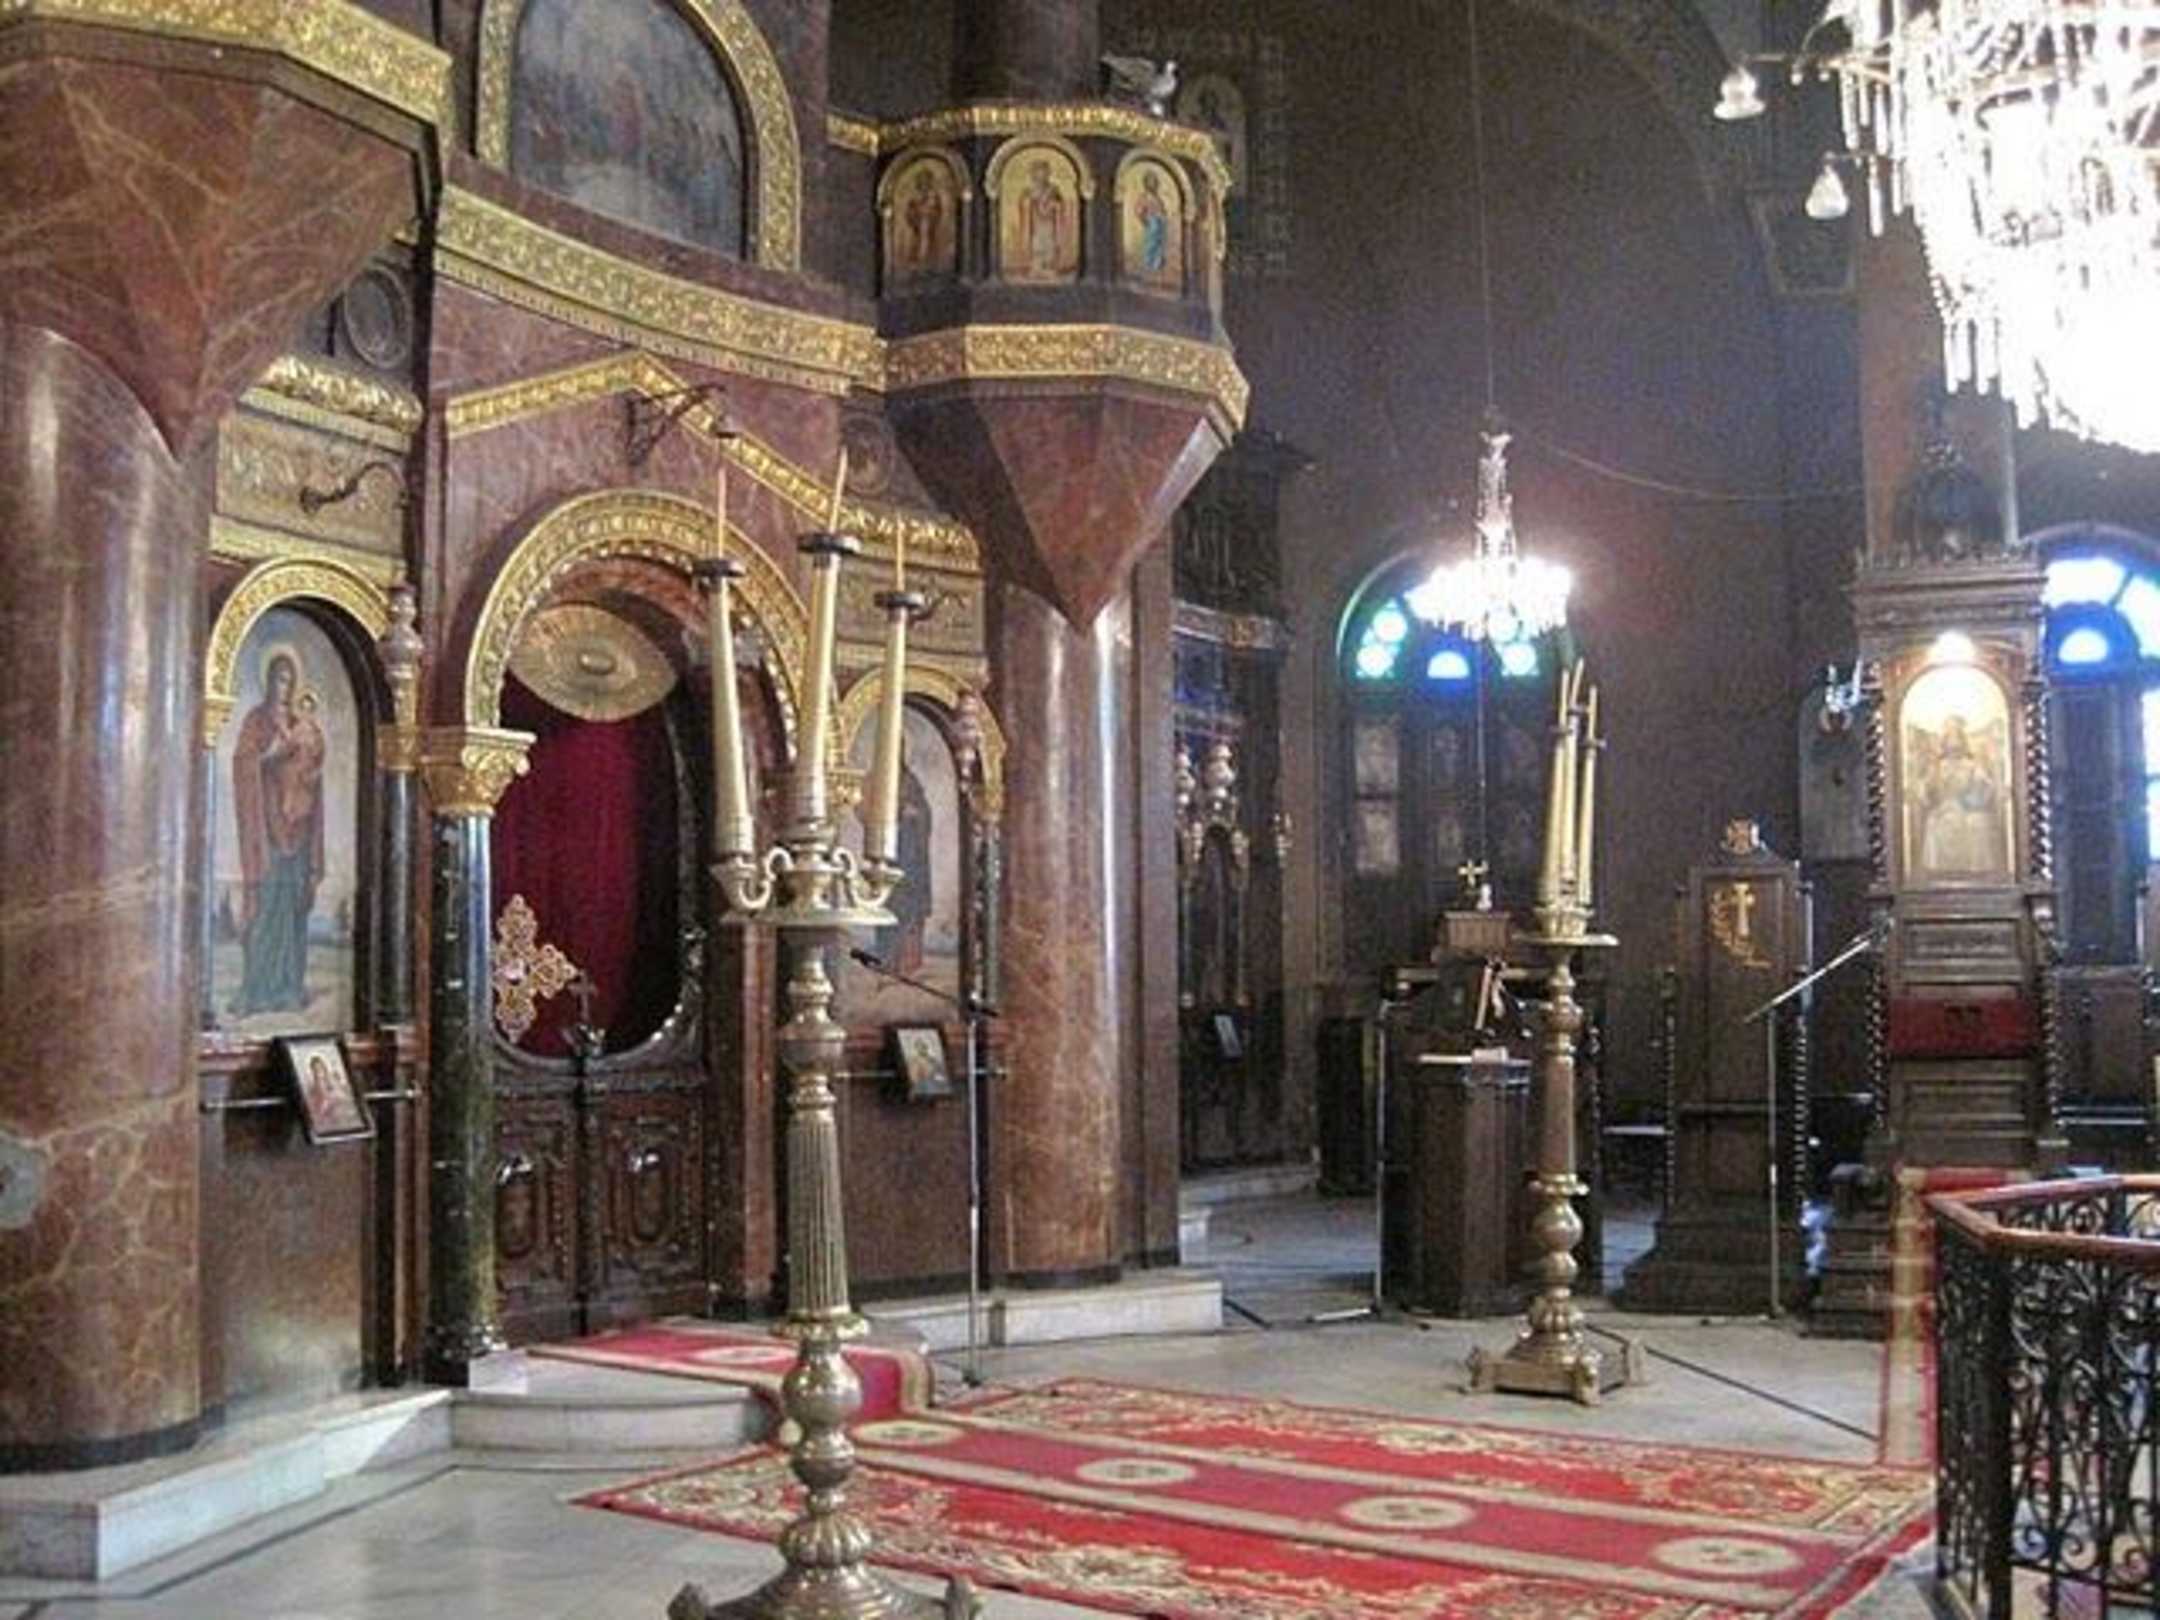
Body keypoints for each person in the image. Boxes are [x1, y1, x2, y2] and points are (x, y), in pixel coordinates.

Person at [229, 649, 326, 1016]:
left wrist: (310, 768)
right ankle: (256, 990)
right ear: (268, 681)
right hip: (268, 830)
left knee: (292, 910)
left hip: (298, 828)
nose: (283, 687)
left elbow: (315, 764)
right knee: (267, 908)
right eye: (278, 679)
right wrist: (271, 755)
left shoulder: (304, 724)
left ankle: (289, 987)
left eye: (288, 680)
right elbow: (244, 763)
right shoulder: (256, 721)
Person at [1917, 715, 2004, 876]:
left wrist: (1978, 791)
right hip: (1944, 808)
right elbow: (1924, 789)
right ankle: (1939, 871)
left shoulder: (1972, 765)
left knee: (1977, 823)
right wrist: (1930, 790)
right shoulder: (1937, 766)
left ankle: (1976, 871)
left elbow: (1986, 786)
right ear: (1944, 744)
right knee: (1935, 823)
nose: (1954, 745)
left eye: (1957, 739)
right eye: (1950, 740)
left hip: (1966, 807)